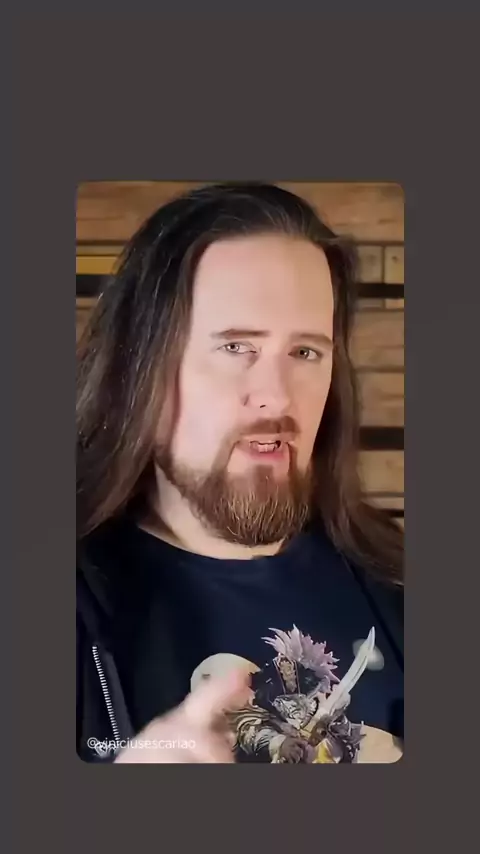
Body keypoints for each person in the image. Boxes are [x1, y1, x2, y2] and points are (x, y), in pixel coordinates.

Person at [76, 182, 403, 764]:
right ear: (140, 368)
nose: (277, 396)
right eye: (236, 347)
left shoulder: (398, 582)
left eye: (305, 352)